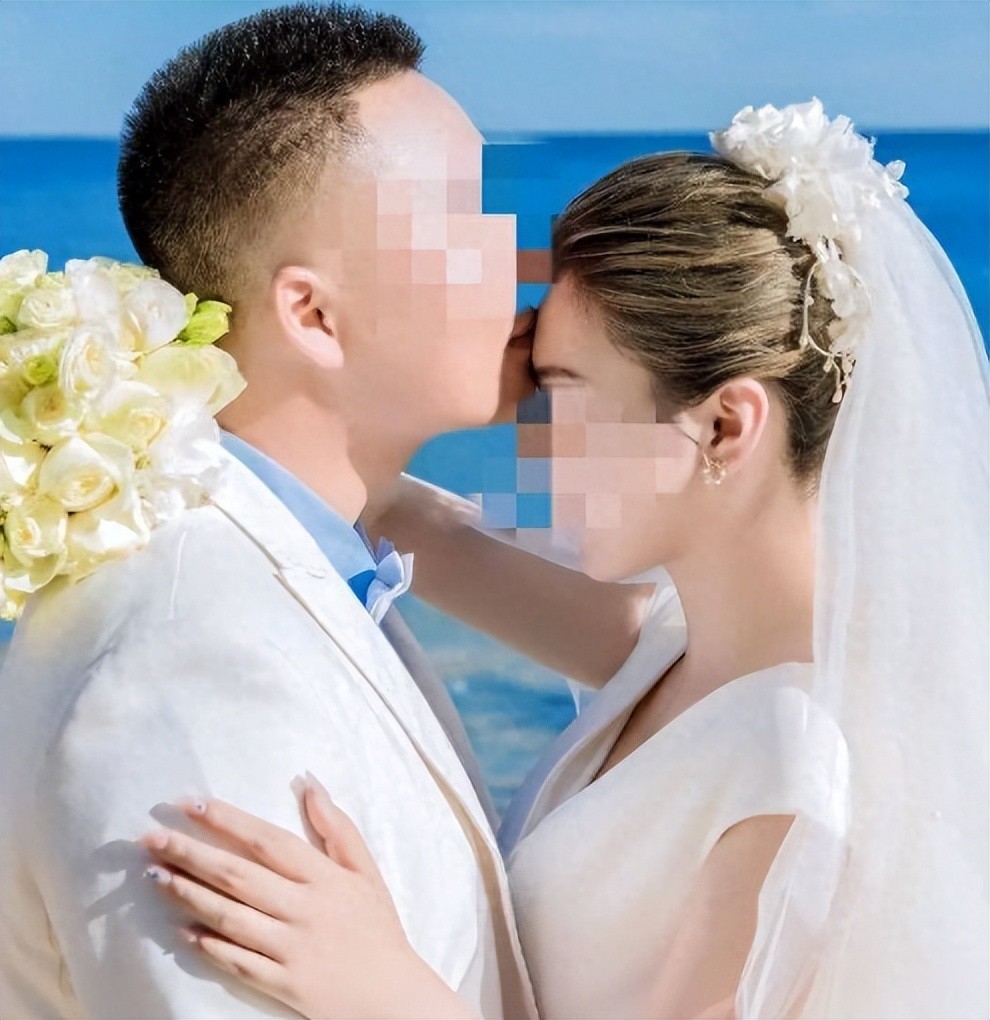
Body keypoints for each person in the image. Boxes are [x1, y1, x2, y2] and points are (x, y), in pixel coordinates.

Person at [138, 101, 989, 1018]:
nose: (531, 443)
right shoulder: (676, 640)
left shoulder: (802, 770)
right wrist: (133, 399)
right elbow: (383, 506)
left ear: (724, 424)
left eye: (564, 396)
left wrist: (382, 986)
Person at [0, 3, 624, 1016]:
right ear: (313, 314)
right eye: (467, 221)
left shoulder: (305, 559)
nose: (525, 265)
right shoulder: (196, 669)